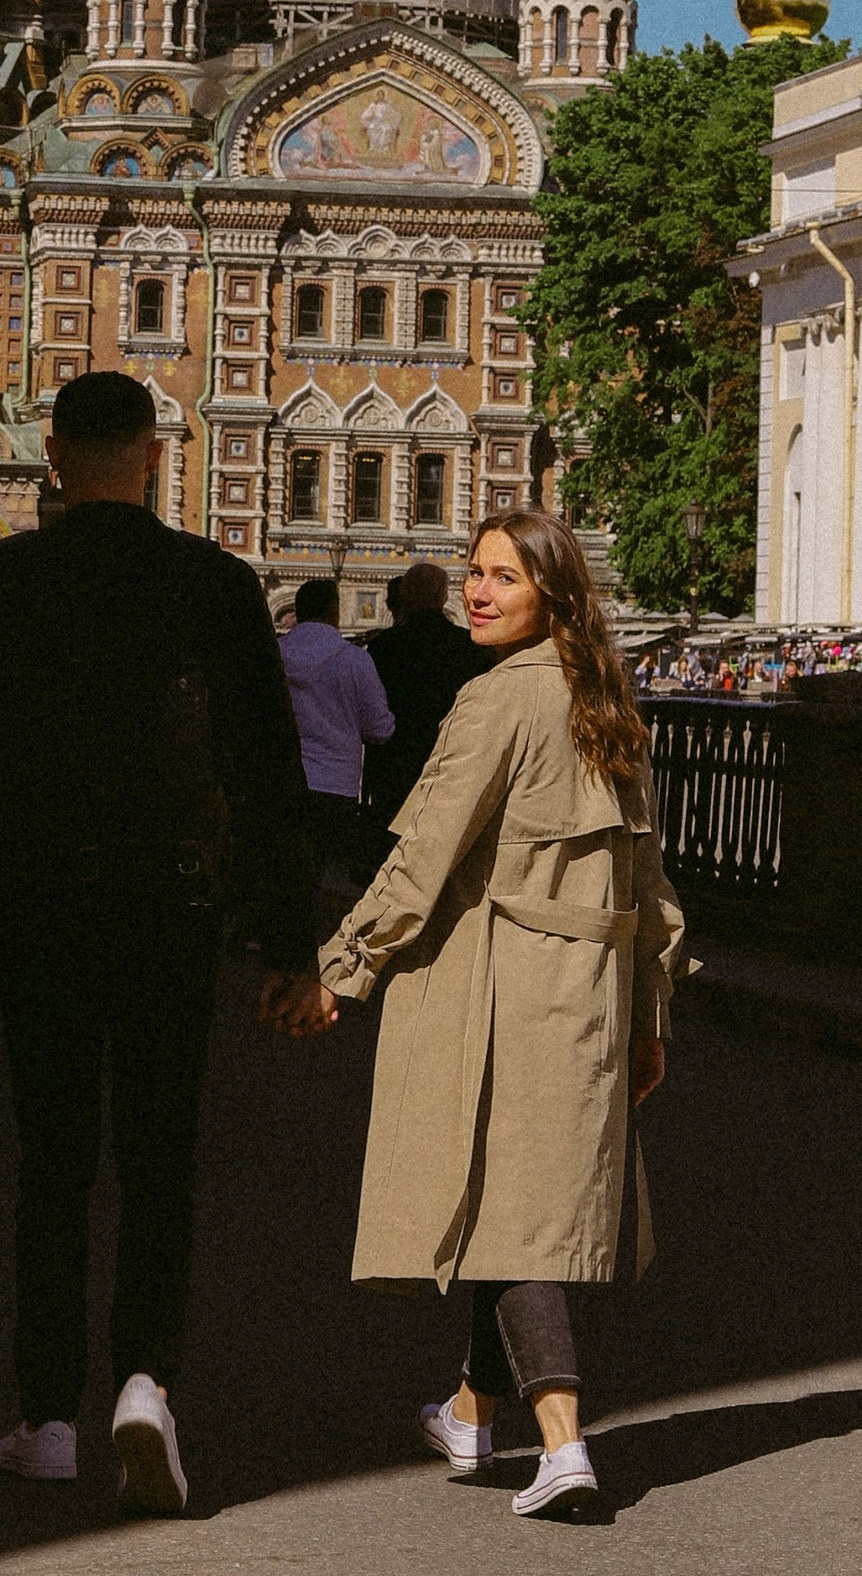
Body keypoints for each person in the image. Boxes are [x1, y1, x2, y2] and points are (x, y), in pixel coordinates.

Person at [0, 368, 318, 1519]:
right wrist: (289, 936)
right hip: (173, 910)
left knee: (52, 1158)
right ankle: (146, 1380)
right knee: (158, 1155)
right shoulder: (213, 585)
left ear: (50, 456)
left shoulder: (0, 581)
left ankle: (46, 1416)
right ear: (151, 455)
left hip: (45, 912)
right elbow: (266, 771)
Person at [267, 506, 684, 1522]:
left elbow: (422, 855)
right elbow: (652, 884)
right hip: (586, 992)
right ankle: (468, 1409)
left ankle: (564, 1444)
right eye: (475, 571)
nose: (479, 590)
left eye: (504, 575)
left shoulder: (496, 701)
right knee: (526, 1201)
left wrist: (338, 969)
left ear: (552, 592)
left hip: (502, 988)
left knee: (511, 1223)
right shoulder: (607, 699)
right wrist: (648, 1014)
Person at [280, 577, 393, 904]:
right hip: (335, 786)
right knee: (328, 875)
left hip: (283, 779)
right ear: (335, 611)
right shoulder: (354, 660)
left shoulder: (276, 654)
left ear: (298, 611)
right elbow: (380, 729)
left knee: (287, 872)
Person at [360, 561, 483, 842]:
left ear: (405, 597)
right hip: (450, 762)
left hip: (393, 765)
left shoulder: (383, 647)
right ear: (443, 597)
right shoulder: (468, 647)